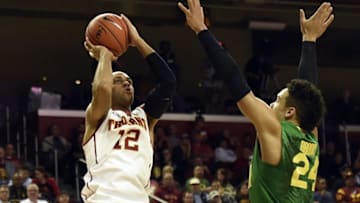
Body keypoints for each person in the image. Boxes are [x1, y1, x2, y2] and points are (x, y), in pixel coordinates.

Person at [178, 0, 333, 202]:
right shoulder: (311, 136)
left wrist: (201, 30)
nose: (270, 105)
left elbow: (235, 80)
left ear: (290, 112)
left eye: (277, 101)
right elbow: (308, 93)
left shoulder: (276, 130)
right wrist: (309, 39)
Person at [81, 14, 176, 203]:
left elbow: (168, 83)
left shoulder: (145, 117)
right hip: (105, 198)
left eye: (129, 82)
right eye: (119, 81)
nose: (127, 84)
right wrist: (105, 56)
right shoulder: (98, 115)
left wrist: (138, 41)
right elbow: (102, 88)